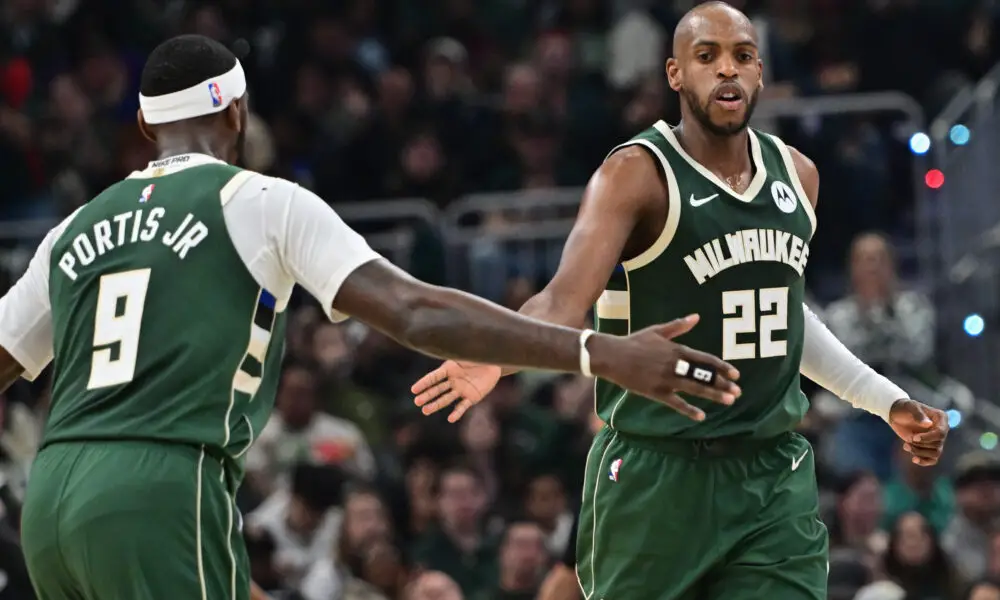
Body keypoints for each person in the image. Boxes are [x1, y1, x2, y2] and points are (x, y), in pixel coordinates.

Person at [2, 35, 742, 600]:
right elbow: (413, 311)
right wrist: (596, 353)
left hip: (51, 495)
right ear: (237, 111)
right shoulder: (260, 201)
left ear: (142, 123)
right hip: (161, 482)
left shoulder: (72, 230)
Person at [411, 3, 950, 599]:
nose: (727, 70)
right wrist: (497, 353)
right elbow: (562, 303)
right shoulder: (635, 173)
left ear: (760, 73)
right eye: (706, 56)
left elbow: (781, 314)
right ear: (674, 74)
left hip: (771, 475)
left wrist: (885, 399)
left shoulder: (799, 176)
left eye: (742, 56)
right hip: (655, 473)